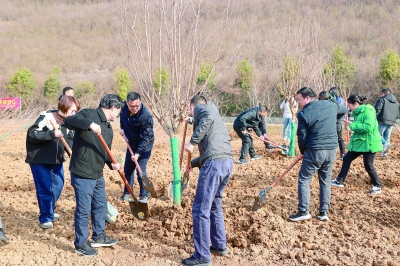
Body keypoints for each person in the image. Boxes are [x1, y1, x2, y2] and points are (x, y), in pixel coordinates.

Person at [64, 94, 123, 257]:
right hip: (82, 171)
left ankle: (99, 236)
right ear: (113, 108)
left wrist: (112, 164)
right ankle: (81, 244)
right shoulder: (89, 114)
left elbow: (105, 152)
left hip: (97, 173)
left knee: (100, 205)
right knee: (83, 210)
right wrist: (89, 124)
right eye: (118, 111)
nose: (118, 115)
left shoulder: (108, 129)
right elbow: (69, 121)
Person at [182, 94, 234, 266]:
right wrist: (194, 164)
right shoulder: (214, 112)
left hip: (214, 165)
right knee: (214, 205)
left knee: (200, 209)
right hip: (225, 162)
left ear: (192, 107)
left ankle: (202, 256)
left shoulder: (202, 108)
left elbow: (207, 118)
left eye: (191, 111)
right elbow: (212, 149)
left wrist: (192, 142)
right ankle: (219, 245)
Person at [289, 87, 347, 222]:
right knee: (326, 181)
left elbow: (302, 136)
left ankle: (304, 211)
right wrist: (334, 117)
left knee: (304, 179)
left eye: (299, 100)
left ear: (307, 98)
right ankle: (323, 212)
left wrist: (303, 152)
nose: (298, 103)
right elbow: (344, 109)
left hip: (315, 150)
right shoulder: (331, 105)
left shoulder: (303, 114)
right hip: (332, 150)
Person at [25, 95, 80, 229]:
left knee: (58, 185)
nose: (74, 114)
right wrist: (51, 134)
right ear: (64, 108)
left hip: (56, 160)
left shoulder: (68, 123)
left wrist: (75, 155)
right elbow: (32, 134)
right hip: (39, 159)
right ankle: (45, 217)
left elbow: (70, 142)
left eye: (75, 111)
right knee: (44, 188)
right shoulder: (47, 117)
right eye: (72, 111)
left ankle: (49, 209)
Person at [331, 95, 383, 194]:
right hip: (361, 143)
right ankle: (339, 181)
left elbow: (368, 127)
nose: (348, 107)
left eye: (349, 105)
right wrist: (351, 127)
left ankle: (377, 185)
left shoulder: (368, 111)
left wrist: (353, 126)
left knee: (368, 165)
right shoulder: (358, 113)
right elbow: (360, 127)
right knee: (346, 158)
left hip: (369, 143)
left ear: (355, 104)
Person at [119, 92, 154, 202]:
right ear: (127, 103)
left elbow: (145, 138)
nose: (134, 108)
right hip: (132, 142)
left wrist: (138, 153)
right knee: (128, 169)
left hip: (145, 144)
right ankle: (127, 192)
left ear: (140, 102)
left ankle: (144, 194)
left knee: (140, 170)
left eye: (137, 106)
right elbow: (122, 117)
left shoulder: (145, 116)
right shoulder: (124, 108)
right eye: (132, 106)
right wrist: (122, 128)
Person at [374, 88, 399, 157]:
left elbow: (377, 109)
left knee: (377, 134)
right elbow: (397, 113)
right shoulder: (396, 102)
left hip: (382, 120)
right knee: (387, 137)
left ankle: (385, 144)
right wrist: (394, 120)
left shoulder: (382, 100)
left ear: (383, 93)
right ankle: (384, 153)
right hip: (391, 122)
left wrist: (373, 118)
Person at [329, 87, 347, 160]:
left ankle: (343, 153)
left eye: (331, 92)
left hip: (337, 121)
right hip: (332, 121)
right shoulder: (332, 100)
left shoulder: (339, 100)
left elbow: (340, 109)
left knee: (339, 138)